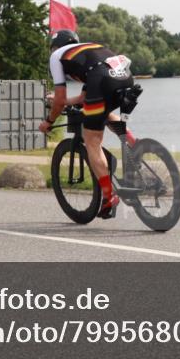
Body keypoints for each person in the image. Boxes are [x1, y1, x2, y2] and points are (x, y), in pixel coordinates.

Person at [38, 30, 136, 219]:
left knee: (91, 141)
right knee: (103, 113)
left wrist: (48, 122)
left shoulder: (56, 56)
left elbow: (60, 99)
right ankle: (135, 143)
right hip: (125, 77)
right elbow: (84, 97)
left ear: (56, 46)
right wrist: (63, 102)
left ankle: (109, 196)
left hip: (101, 80)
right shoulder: (88, 50)